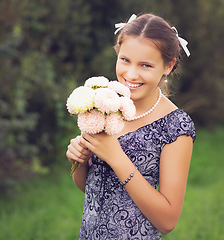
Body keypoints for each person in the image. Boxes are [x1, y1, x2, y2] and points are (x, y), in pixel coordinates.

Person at [66, 13, 196, 239]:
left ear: (168, 66)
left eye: (145, 65)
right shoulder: (105, 104)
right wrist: (80, 161)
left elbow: (167, 221)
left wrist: (117, 158)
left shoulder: (176, 126)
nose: (131, 74)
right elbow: (91, 188)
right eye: (125, 60)